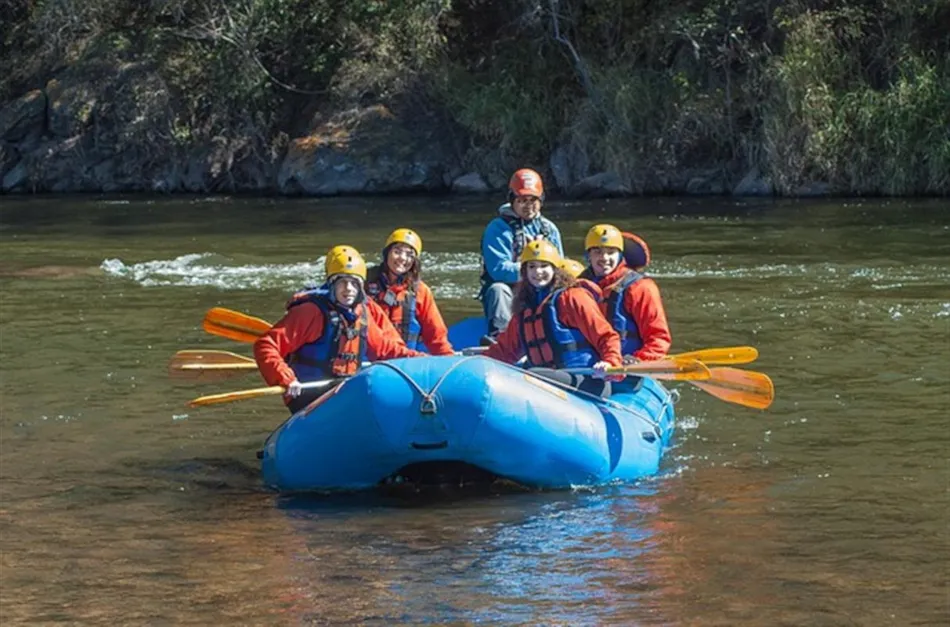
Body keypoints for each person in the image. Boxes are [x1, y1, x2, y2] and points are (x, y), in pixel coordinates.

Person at [254, 245, 425, 413]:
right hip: (308, 395)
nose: (348, 289)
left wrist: (424, 360)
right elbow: (266, 345)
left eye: (354, 283)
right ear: (331, 285)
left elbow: (387, 350)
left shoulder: (362, 313)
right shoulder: (310, 312)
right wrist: (286, 378)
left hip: (344, 391)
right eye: (342, 282)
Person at [483, 240, 623, 397]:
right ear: (524, 271)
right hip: (546, 381)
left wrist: (610, 362)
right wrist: (477, 364)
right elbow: (504, 351)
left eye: (544, 266)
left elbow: (606, 336)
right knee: (524, 373)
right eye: (532, 266)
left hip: (587, 380)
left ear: (555, 269)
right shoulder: (525, 309)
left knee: (529, 374)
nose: (538, 272)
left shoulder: (572, 297)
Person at [479, 168, 563, 341]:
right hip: (511, 291)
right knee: (497, 290)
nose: (529, 205)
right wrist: (531, 270)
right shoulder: (497, 228)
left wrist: (542, 275)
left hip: (543, 288)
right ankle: (500, 338)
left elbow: (560, 266)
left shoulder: (549, 229)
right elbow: (498, 270)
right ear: (512, 200)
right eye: (522, 200)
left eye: (533, 200)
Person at [581, 224, 672, 362]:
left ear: (620, 255)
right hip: (591, 366)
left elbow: (658, 338)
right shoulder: (578, 287)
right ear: (588, 255)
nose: (604, 258)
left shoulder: (640, 287)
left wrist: (638, 361)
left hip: (629, 367)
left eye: (611, 251)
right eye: (597, 251)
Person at [365, 228, 454, 355]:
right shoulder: (363, 284)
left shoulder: (420, 291)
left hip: (403, 361)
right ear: (387, 254)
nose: (402, 258)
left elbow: (436, 334)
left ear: (414, 262)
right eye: (397, 251)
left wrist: (447, 359)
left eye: (409, 255)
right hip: (367, 360)